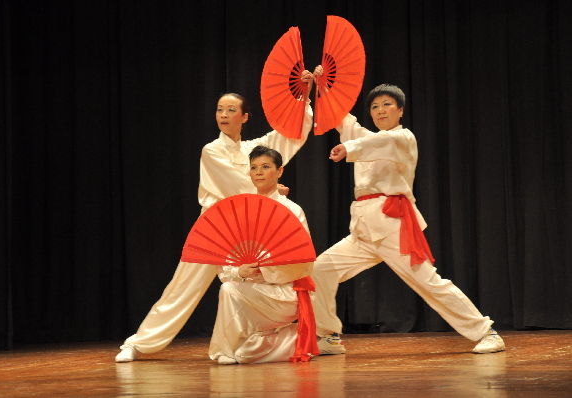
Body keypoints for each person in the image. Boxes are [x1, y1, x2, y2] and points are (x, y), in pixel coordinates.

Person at [116, 66, 323, 363]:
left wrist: (304, 95)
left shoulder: (254, 149)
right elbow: (238, 185)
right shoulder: (211, 150)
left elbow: (290, 135)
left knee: (249, 284)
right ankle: (139, 343)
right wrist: (270, 189)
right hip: (215, 228)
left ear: (244, 117)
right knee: (182, 288)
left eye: (230, 110)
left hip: (249, 229)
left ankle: (288, 338)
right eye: (219, 109)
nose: (223, 115)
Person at [312, 84, 506, 355]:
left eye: (387, 104)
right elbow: (343, 119)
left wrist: (349, 146)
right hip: (364, 228)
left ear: (400, 110)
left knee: (429, 282)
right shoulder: (366, 137)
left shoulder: (404, 138)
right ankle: (328, 336)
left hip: (392, 225)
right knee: (321, 269)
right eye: (375, 106)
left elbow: (380, 142)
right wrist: (321, 87)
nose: (380, 110)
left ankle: (486, 332)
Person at [209, 146, 316, 364]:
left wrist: (265, 272)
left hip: (286, 292)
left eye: (266, 167)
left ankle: (226, 349)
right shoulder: (242, 210)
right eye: (254, 168)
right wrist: (238, 270)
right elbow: (226, 257)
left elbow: (304, 261)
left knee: (230, 291)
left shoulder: (293, 211)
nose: (258, 172)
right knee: (229, 289)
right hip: (253, 289)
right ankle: (273, 339)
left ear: (279, 171)